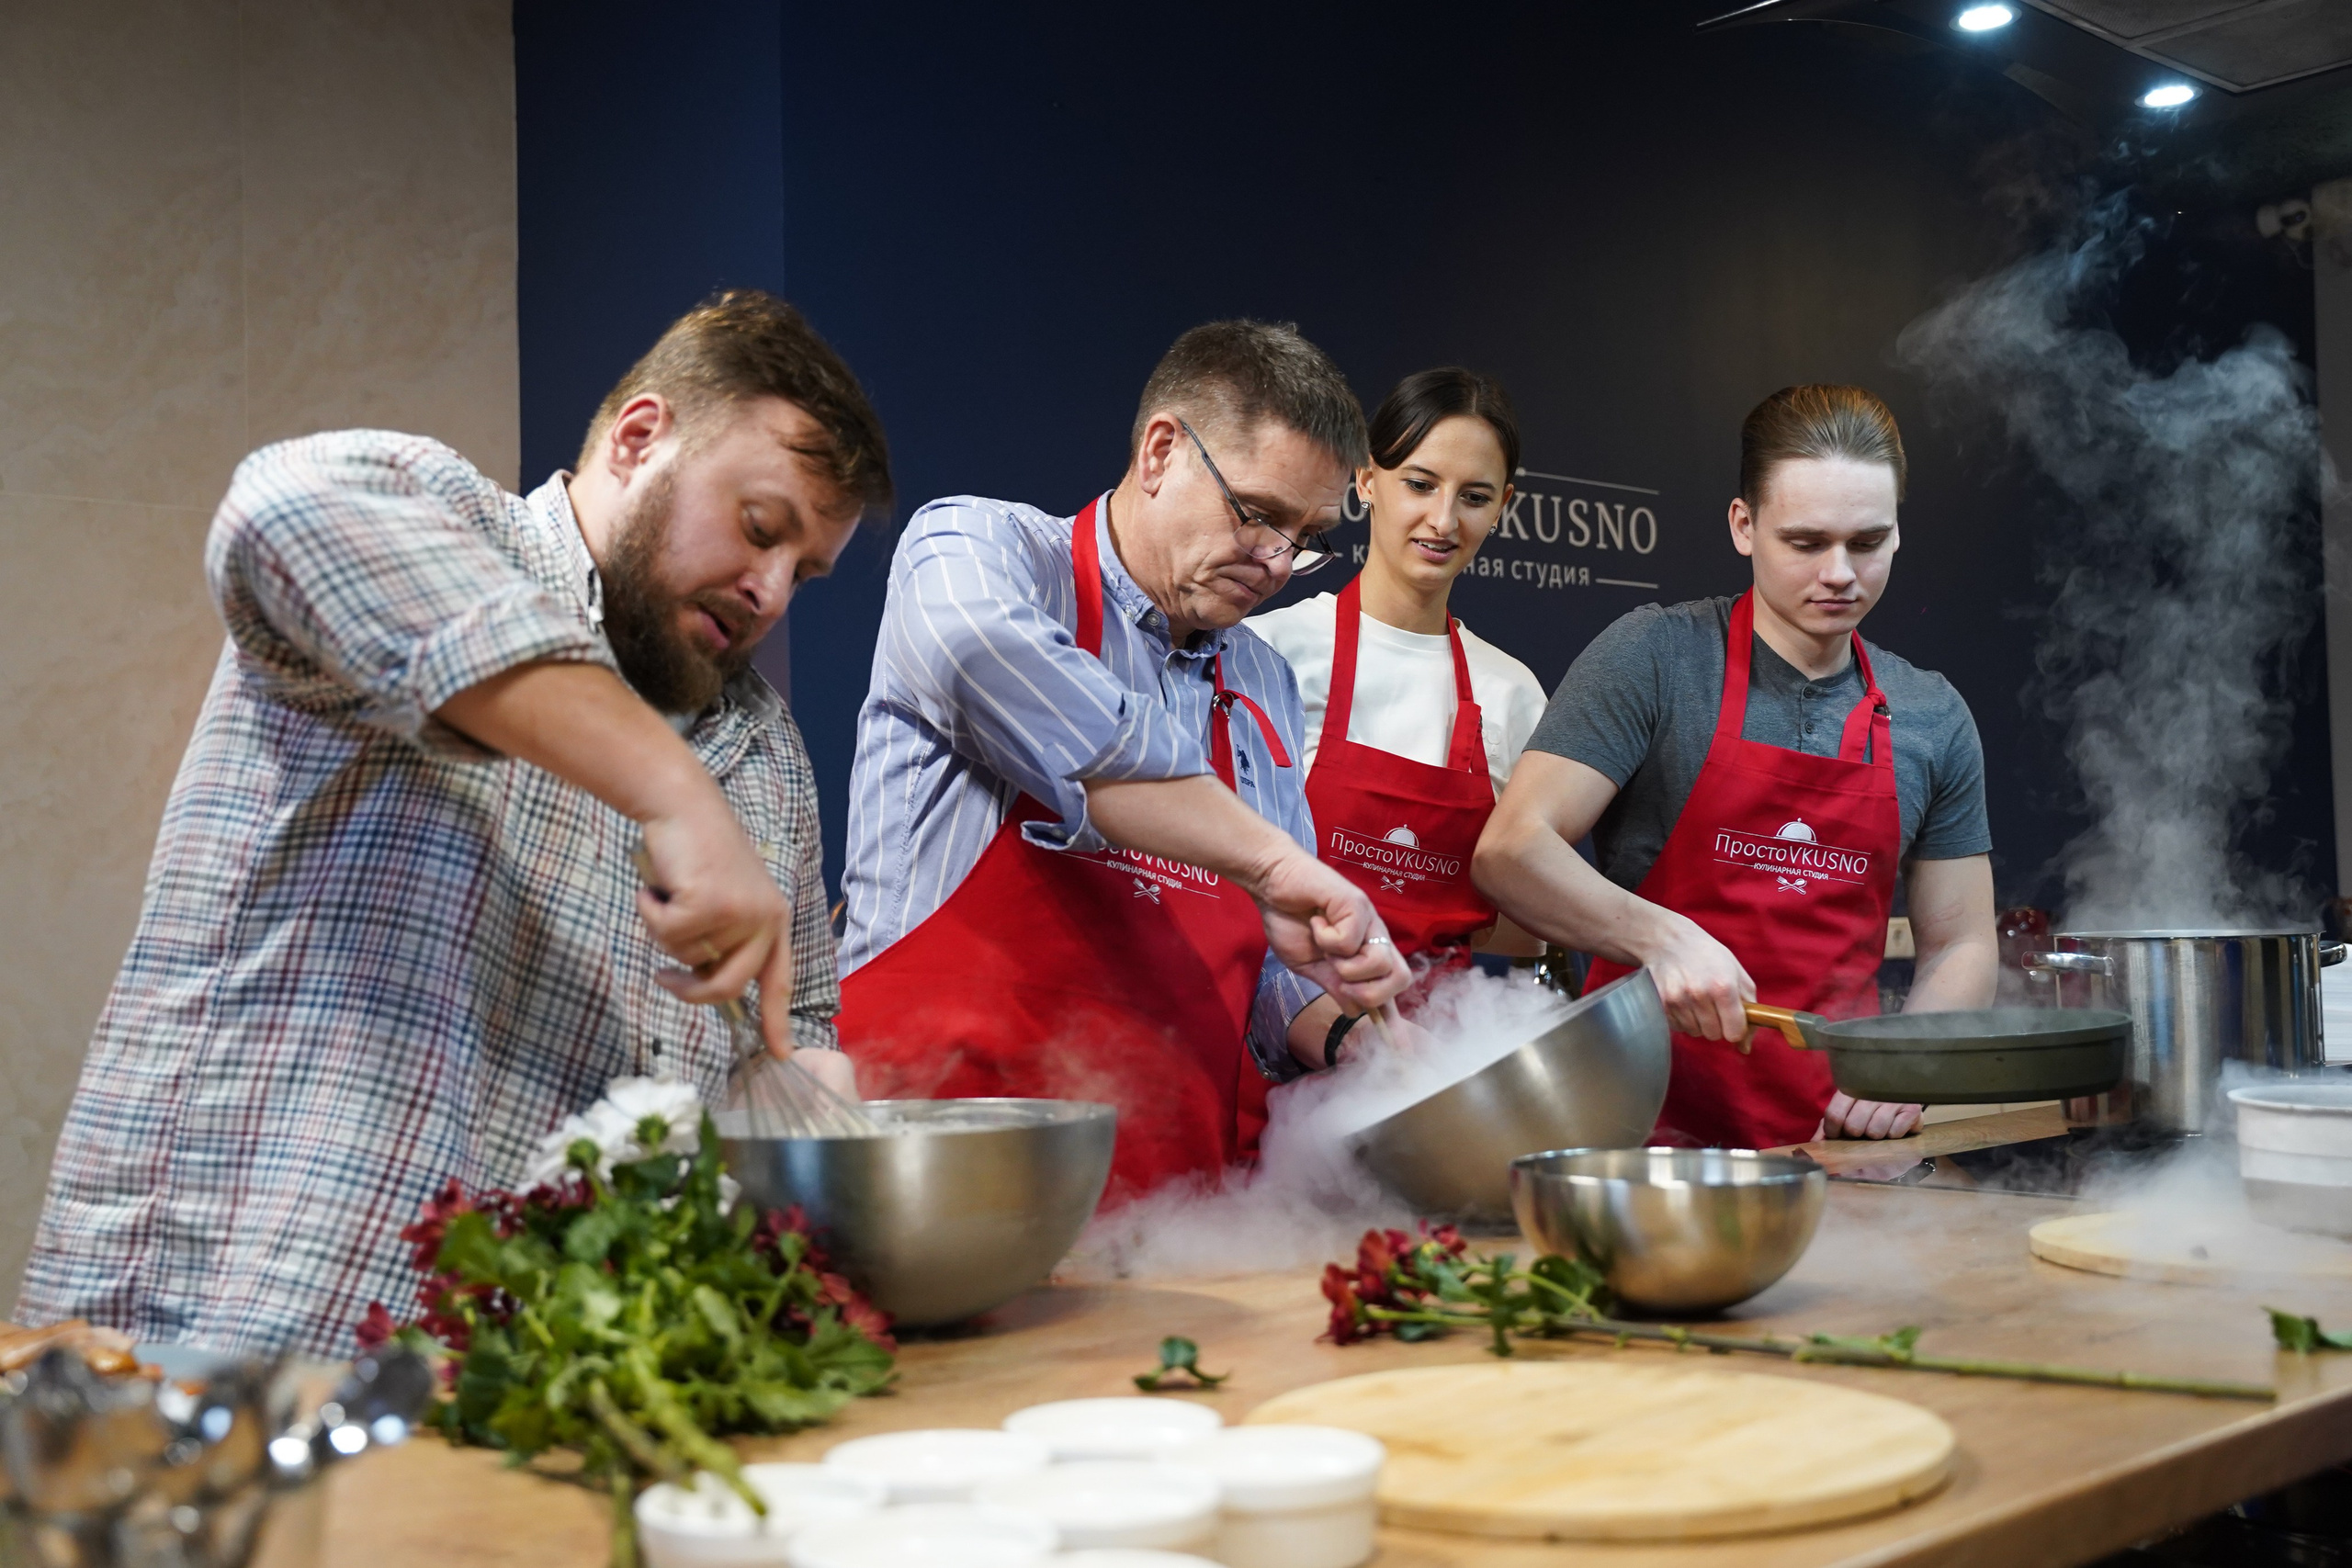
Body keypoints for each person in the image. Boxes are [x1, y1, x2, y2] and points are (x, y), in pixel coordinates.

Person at [18, 290, 886, 1355]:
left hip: (519, 1396)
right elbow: (279, 512)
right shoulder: (450, 523)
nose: (770, 591)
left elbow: (785, 1041)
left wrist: (799, 1091)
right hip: (228, 1345)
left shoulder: (765, 752)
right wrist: (672, 790)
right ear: (640, 437)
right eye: (760, 530)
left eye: (805, 571)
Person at [837, 321, 1412, 1201]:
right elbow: (1023, 690)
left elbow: (1269, 961)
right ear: (1160, 451)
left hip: (1169, 1218)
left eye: (1307, 537)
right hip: (930, 1198)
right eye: (1257, 513)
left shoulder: (1260, 677)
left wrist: (1350, 1034)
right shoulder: (980, 553)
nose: (1276, 561)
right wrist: (1267, 857)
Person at [1475, 384, 1997, 1147]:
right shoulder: (1656, 657)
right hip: (1639, 1135)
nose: (1840, 573)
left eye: (1867, 542)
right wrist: (1663, 939)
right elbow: (1511, 850)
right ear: (1744, 526)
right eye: (1807, 542)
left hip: (1837, 1144)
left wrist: (1907, 1064)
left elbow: (1962, 942)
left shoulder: (1932, 714)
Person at [1250, 368, 1548, 995]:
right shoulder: (1272, 651)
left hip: (1432, 1054)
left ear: (1504, 506)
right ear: (1366, 479)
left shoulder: (1514, 694)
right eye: (1420, 484)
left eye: (1474, 496)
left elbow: (1523, 926)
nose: (1442, 520)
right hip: (1272, 1042)